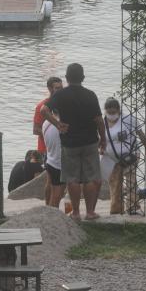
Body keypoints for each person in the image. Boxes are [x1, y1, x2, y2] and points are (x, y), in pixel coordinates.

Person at [39, 63, 106, 221]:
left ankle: (75, 213)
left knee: (72, 179)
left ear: (67, 78)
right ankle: (90, 212)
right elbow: (99, 120)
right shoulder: (90, 95)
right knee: (90, 178)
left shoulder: (60, 95)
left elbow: (43, 110)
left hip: (69, 143)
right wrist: (103, 139)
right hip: (89, 141)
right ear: (82, 78)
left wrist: (57, 124)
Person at [102, 98, 146, 215]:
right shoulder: (102, 122)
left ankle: (133, 207)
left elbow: (140, 134)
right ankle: (116, 208)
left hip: (130, 155)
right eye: (109, 112)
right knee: (114, 183)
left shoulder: (128, 119)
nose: (111, 115)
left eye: (114, 112)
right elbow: (99, 139)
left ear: (119, 110)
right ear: (105, 111)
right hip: (111, 158)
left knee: (131, 181)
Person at [33, 77, 64, 156]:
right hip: (45, 150)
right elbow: (36, 130)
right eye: (57, 88)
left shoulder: (65, 104)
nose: (61, 90)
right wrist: (55, 135)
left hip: (60, 149)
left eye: (61, 88)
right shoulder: (41, 107)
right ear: (50, 89)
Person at [42, 118, 65, 207]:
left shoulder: (46, 122)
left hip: (50, 159)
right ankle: (52, 215)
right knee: (57, 194)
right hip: (59, 163)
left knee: (50, 184)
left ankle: (48, 208)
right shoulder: (62, 124)